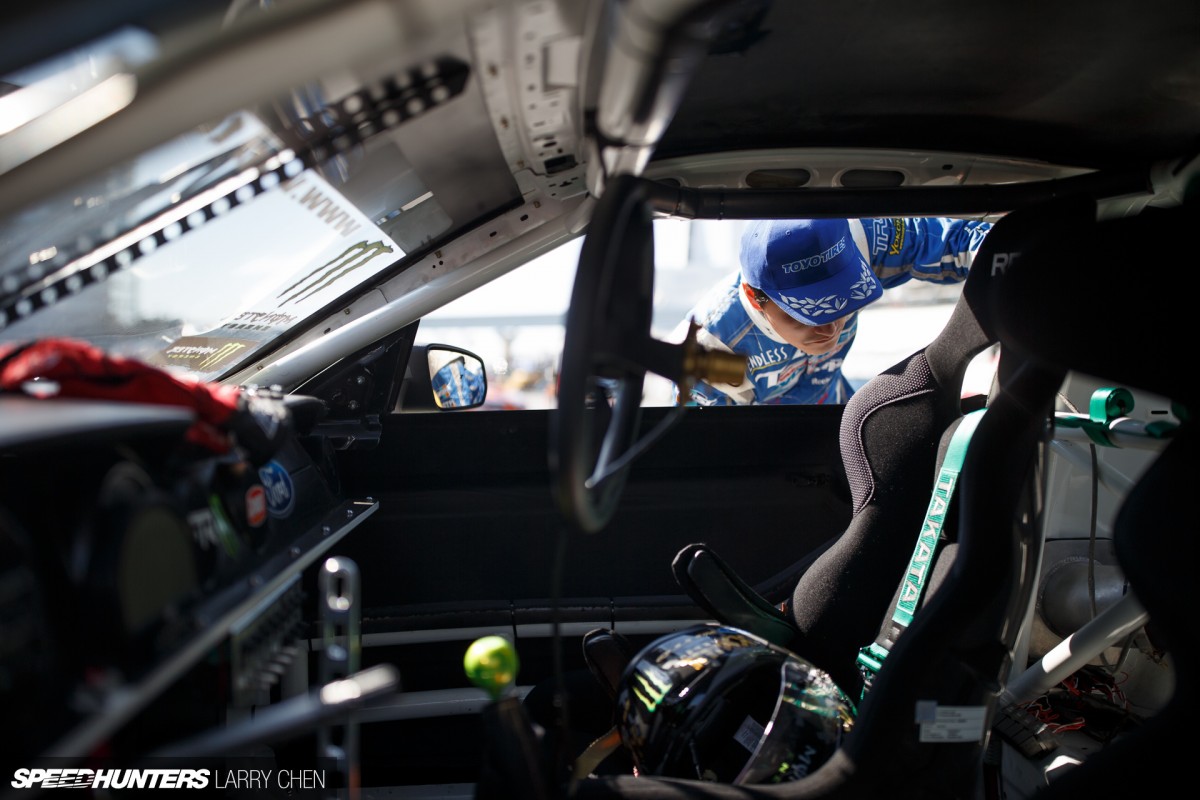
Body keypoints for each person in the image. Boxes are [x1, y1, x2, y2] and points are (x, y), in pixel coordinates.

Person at [673, 217, 992, 405]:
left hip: (837, 409)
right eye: (806, 313)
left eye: (842, 299)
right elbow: (716, 452)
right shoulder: (713, 348)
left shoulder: (862, 241)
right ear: (755, 299)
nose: (830, 329)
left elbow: (962, 241)